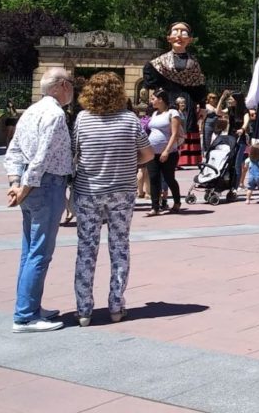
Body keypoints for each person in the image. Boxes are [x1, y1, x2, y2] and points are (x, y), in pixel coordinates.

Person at [71, 72, 153, 327]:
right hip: (122, 192)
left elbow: (75, 152)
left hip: (88, 191)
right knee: (119, 246)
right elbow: (148, 154)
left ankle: (84, 309)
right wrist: (128, 162)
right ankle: (116, 305)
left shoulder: (82, 119)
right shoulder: (130, 120)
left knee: (86, 248)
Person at [5, 67, 74, 332]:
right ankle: (25, 316)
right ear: (62, 86)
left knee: (29, 250)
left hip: (31, 184)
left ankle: (29, 306)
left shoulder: (31, 111)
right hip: (46, 184)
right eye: (70, 83)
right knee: (40, 252)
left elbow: (14, 150)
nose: (72, 89)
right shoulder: (55, 114)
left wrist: (15, 182)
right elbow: (42, 156)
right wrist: (25, 186)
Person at [142, 21, 207, 167]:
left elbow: (200, 85)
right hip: (167, 99)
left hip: (187, 101)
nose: (179, 36)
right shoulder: (159, 62)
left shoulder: (194, 63)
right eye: (175, 32)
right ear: (168, 38)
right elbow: (150, 80)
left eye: (184, 33)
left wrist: (202, 105)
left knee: (186, 126)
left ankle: (184, 158)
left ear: (189, 39)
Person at [145, 89, 183, 216]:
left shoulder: (172, 113)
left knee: (169, 178)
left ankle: (177, 202)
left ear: (161, 99)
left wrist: (166, 151)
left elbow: (175, 134)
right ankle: (155, 207)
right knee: (153, 178)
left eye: (153, 98)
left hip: (169, 153)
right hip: (152, 153)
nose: (151, 101)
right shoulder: (154, 114)